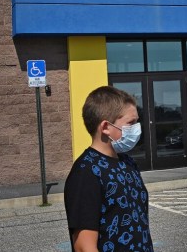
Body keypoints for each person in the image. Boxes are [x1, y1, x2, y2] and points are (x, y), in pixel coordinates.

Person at [64, 86, 153, 252]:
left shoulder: (127, 162)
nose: (137, 128)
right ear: (105, 127)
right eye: (130, 123)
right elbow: (84, 247)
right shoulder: (86, 171)